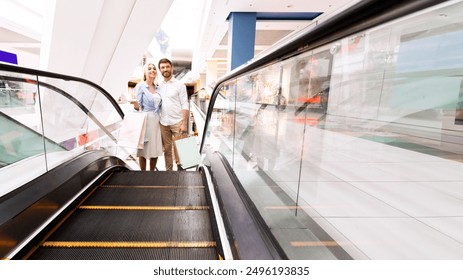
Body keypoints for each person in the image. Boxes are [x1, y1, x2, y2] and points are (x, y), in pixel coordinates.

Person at [158, 58, 189, 171]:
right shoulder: (158, 85)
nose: (165, 69)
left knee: (181, 149)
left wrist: (184, 123)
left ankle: (182, 173)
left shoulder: (180, 85)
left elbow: (185, 104)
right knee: (167, 149)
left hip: (177, 121)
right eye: (162, 67)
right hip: (163, 122)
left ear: (171, 68)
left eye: (167, 67)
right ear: (160, 70)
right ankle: (169, 172)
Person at [134, 61, 163, 171]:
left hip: (156, 120)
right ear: (145, 72)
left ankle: (152, 173)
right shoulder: (141, 86)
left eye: (154, 68)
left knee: (155, 146)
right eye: (149, 68)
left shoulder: (158, 88)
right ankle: (143, 173)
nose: (152, 70)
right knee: (144, 146)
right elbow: (137, 105)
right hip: (145, 119)